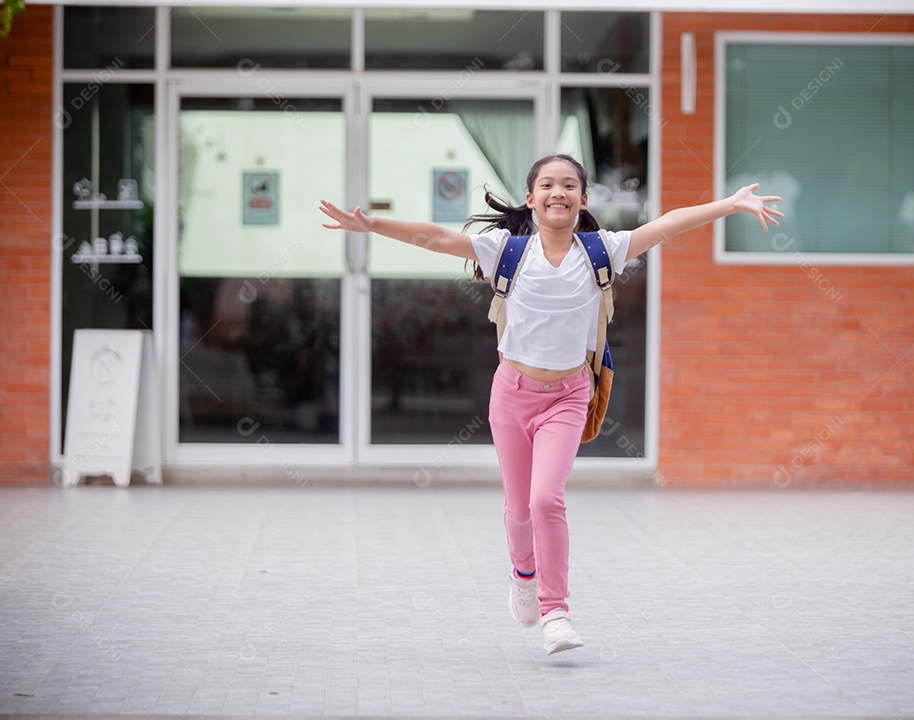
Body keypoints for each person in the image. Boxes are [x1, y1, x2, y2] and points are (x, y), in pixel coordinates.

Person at [320, 154, 782, 655]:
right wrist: (372, 225)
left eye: (568, 185)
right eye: (547, 184)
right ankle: (522, 574)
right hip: (512, 396)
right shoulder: (507, 251)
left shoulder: (603, 250)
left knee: (546, 500)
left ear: (583, 201)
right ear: (530, 198)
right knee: (518, 507)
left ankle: (555, 610)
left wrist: (731, 205)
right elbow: (434, 237)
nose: (557, 192)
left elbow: (667, 224)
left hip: (568, 395)